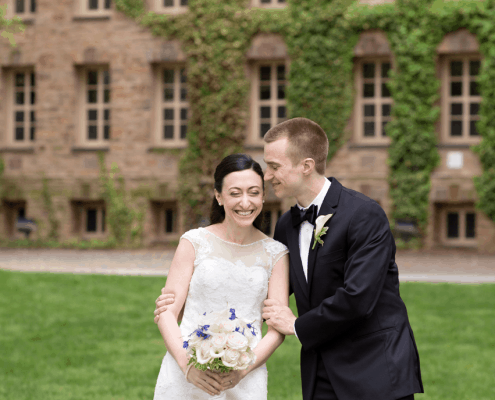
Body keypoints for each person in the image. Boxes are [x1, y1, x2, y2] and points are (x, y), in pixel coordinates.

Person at [155, 117, 423, 400]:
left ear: (306, 166)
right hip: (320, 370)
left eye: (274, 166)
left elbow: (359, 298)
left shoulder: (364, 215)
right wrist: (182, 303)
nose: (268, 176)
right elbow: (261, 292)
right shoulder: (285, 226)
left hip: (373, 368)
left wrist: (295, 325)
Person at [152, 153, 289, 400]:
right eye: (235, 193)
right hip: (187, 372)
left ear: (263, 196)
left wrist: (242, 371)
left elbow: (276, 330)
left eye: (254, 192)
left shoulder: (276, 254)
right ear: (219, 196)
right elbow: (166, 313)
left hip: (246, 378)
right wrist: (187, 367)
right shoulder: (194, 242)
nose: (245, 203)